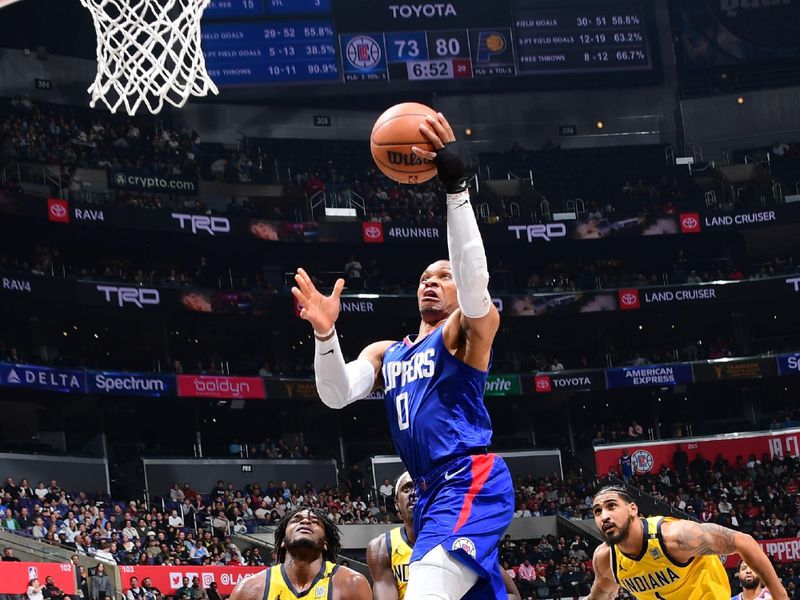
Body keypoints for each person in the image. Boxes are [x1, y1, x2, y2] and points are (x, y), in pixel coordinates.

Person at [293, 112, 513, 600]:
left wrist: (456, 189)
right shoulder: (386, 353)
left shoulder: (465, 331)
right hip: (429, 492)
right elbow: (334, 395)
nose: (432, 281)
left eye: (443, 275)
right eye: (424, 278)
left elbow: (475, 285)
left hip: (467, 477)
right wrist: (326, 336)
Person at [586, 485, 788, 599]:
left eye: (611, 506)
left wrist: (780, 595)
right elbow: (601, 593)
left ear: (632, 509)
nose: (603, 516)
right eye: (597, 512)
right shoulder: (605, 559)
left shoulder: (677, 536)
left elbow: (743, 541)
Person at [367, 472, 520, 600]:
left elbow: (512, 595)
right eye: (407, 489)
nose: (414, 493)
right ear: (396, 503)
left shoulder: (460, 541)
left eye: (420, 487)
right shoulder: (382, 547)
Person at [229, 508, 371, 600]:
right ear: (283, 541)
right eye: (296, 520)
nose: (305, 521)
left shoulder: (350, 584)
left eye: (314, 522)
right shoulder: (249, 590)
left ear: (325, 543)